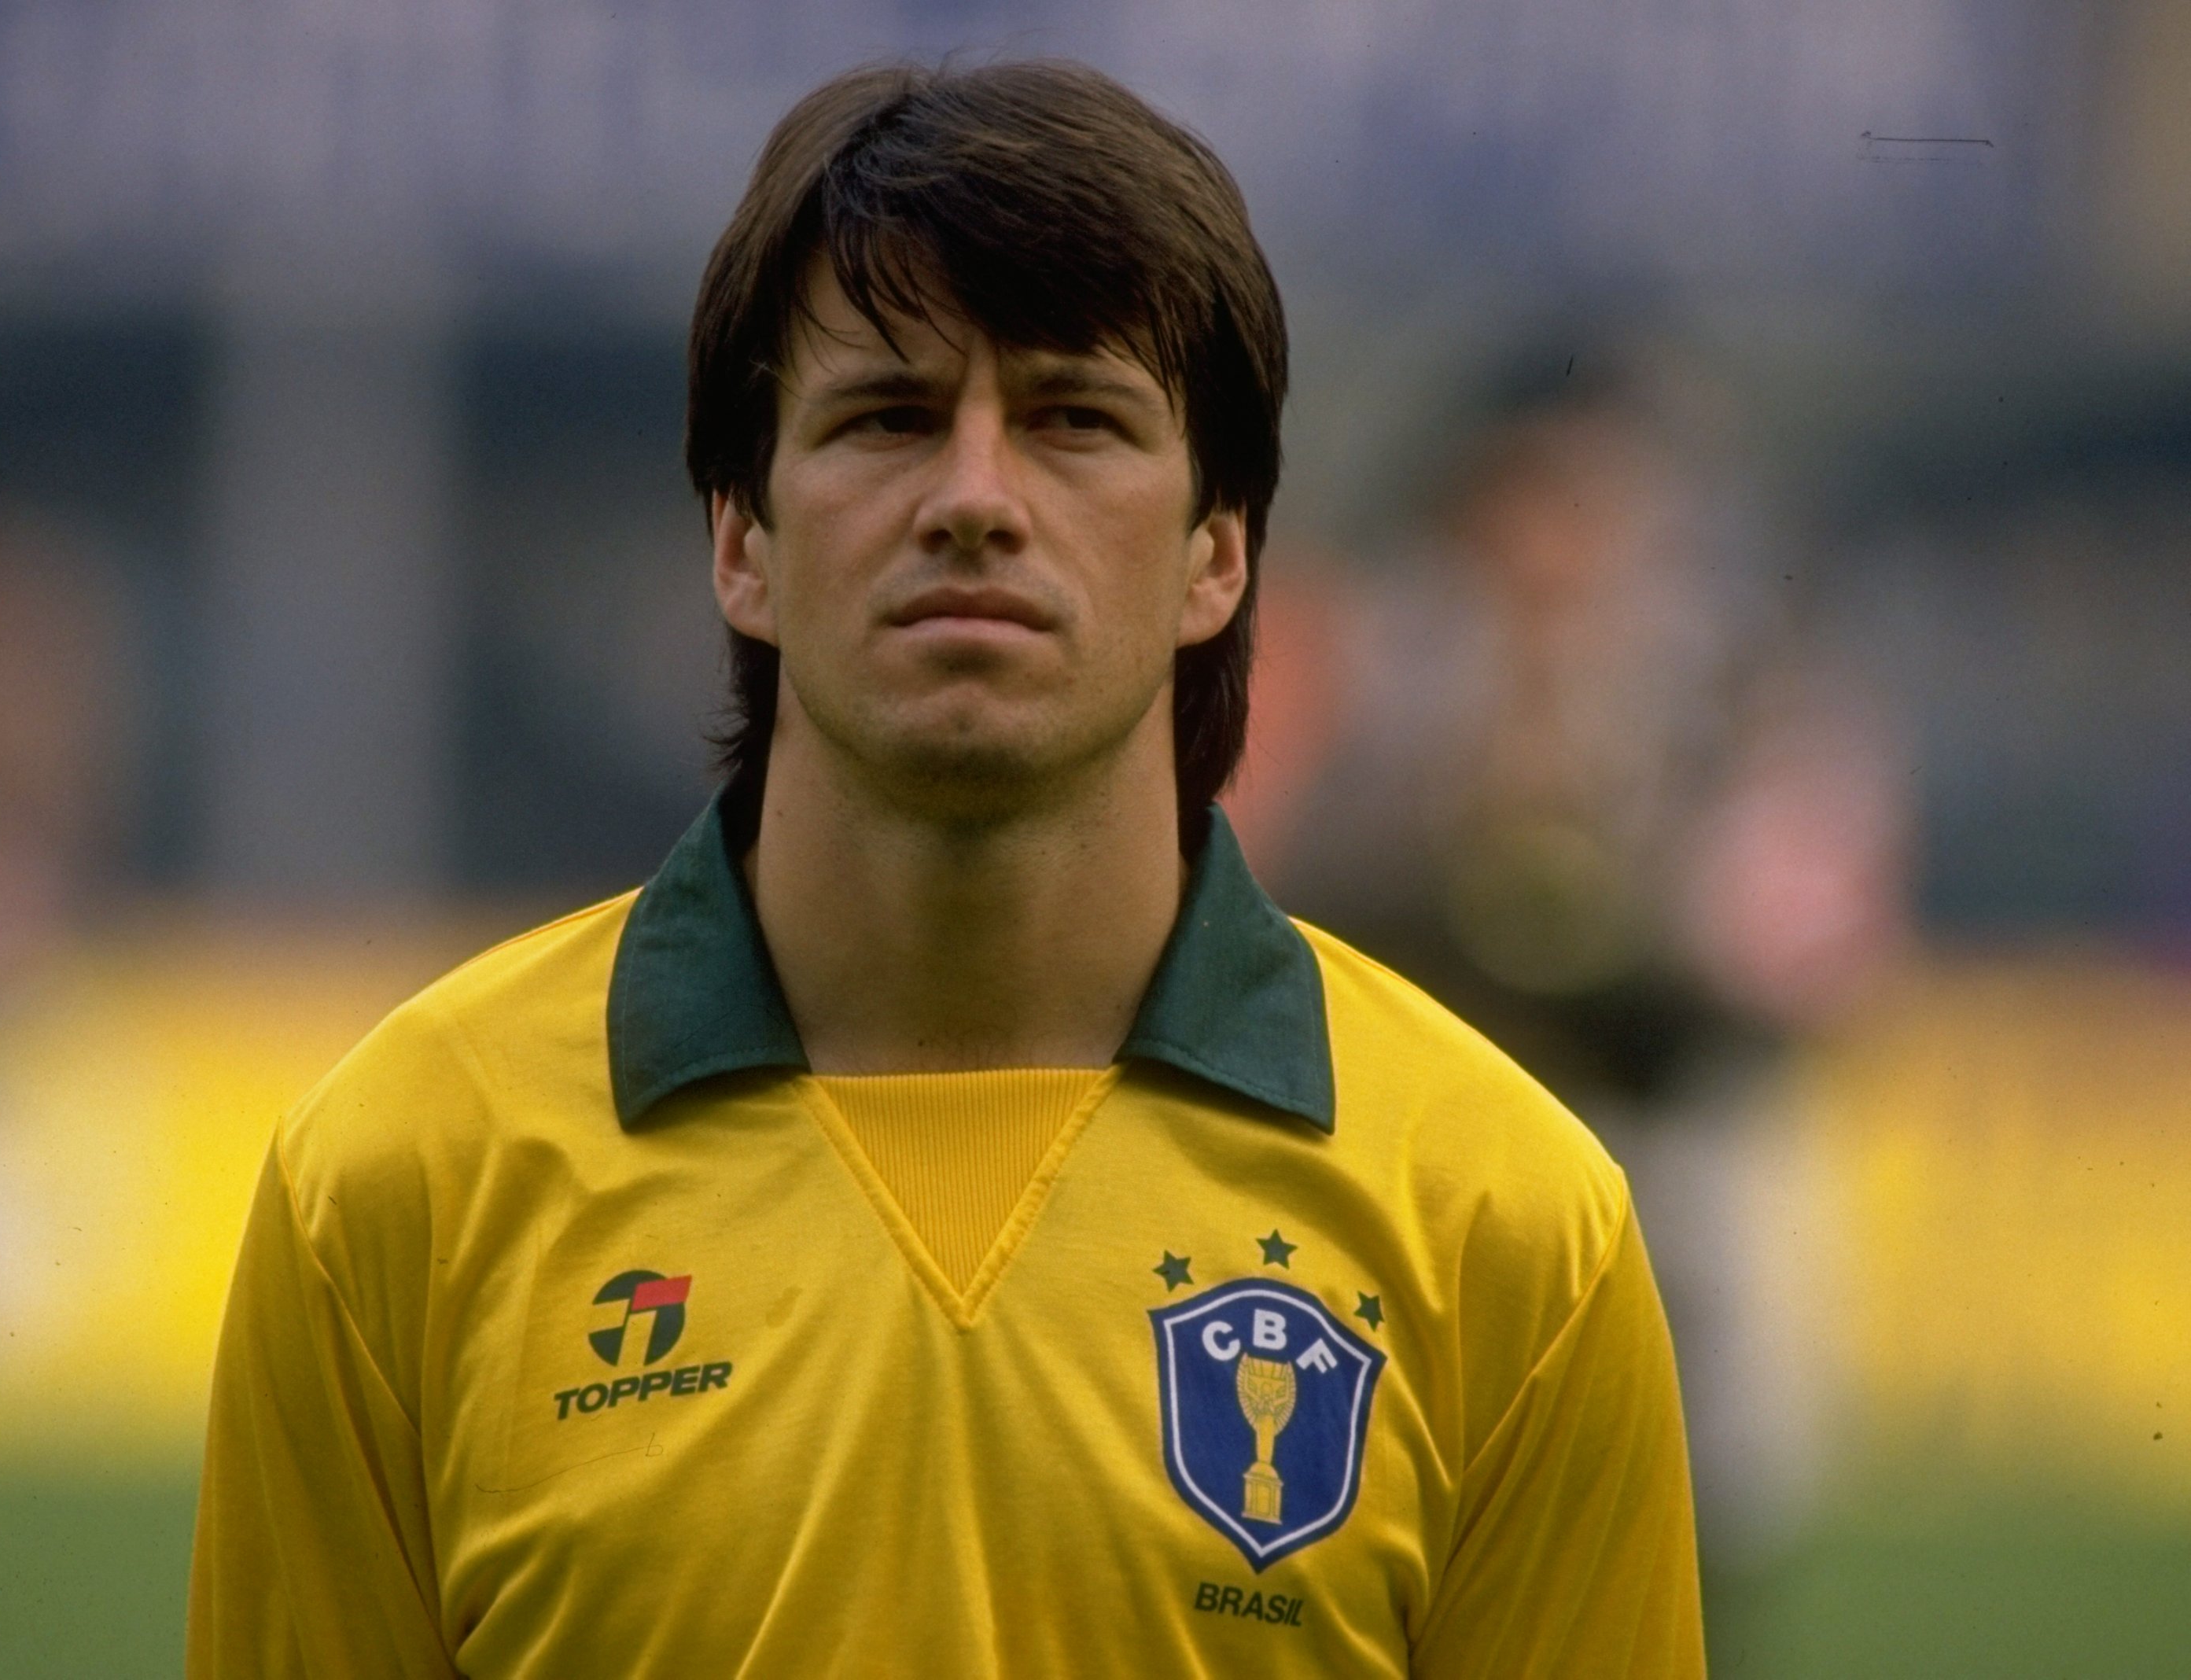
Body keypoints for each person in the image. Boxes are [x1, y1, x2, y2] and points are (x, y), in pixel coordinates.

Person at [187, 61, 1703, 1677]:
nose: (976, 499)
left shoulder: (1507, 1225)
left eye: (1075, 419)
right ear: (741, 542)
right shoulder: (398, 1183)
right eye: (888, 418)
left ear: (1219, 552)